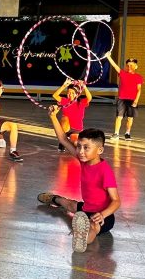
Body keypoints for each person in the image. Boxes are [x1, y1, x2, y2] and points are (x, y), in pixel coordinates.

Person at [39, 106, 121, 253]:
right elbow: (63, 139)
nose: (80, 151)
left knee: (93, 227)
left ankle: (81, 237)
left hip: (102, 215)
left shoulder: (105, 171)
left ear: (100, 150)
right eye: (79, 147)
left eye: (86, 148)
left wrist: (102, 214)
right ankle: (55, 199)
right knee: (69, 204)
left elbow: (116, 201)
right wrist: (52, 116)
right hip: (86, 208)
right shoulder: (84, 160)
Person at [103, 54, 143, 140]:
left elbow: (139, 89)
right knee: (119, 117)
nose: (129, 67)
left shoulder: (138, 77)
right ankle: (116, 133)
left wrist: (136, 100)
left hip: (132, 100)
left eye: (131, 65)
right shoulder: (122, 73)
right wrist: (108, 56)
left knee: (130, 118)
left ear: (136, 66)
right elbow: (114, 65)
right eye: (128, 65)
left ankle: (127, 133)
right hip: (122, 99)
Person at [51, 79, 92, 152]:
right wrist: (64, 85)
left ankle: (67, 141)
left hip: (77, 129)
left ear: (77, 94)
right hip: (66, 128)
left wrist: (84, 87)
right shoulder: (65, 101)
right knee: (65, 118)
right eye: (68, 93)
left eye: (72, 93)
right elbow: (55, 95)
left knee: (76, 144)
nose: (70, 95)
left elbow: (89, 98)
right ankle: (62, 141)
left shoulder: (81, 102)